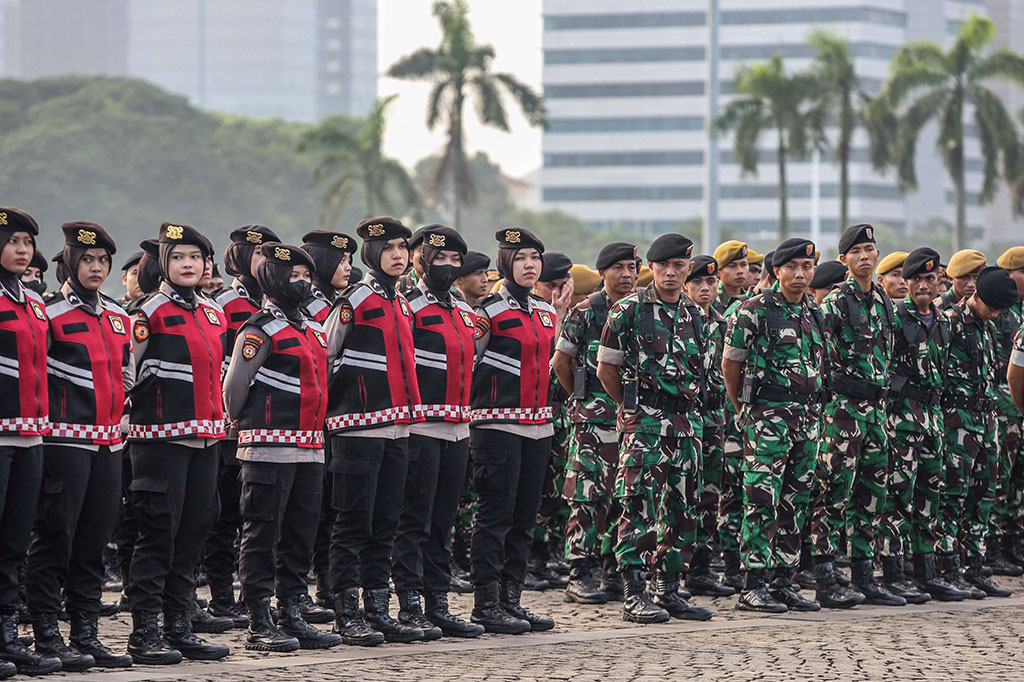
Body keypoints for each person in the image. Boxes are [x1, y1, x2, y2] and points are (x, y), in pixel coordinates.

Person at [24, 223, 135, 671]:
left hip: (108, 444)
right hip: (63, 443)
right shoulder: (48, 313)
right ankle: (46, 632)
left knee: (92, 541)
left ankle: (85, 632)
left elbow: (127, 372)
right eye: (87, 260)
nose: (96, 268)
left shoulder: (116, 315)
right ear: (69, 263)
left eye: (103, 261)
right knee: (55, 539)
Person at [223, 242, 340, 652]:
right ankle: (259, 619)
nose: (303, 282)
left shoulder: (311, 328)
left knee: (299, 534)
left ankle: (292, 610)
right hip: (268, 446)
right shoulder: (259, 328)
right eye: (294, 276)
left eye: (307, 276)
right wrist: (247, 421)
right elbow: (234, 388)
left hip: (310, 447)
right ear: (272, 277)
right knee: (262, 532)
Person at [126, 222, 229, 665]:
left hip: (205, 440)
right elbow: (125, 373)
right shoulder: (146, 313)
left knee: (193, 534)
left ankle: (179, 625)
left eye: (195, 258)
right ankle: (145, 631)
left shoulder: (212, 312)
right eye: (178, 258)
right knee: (157, 535)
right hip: (159, 440)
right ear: (164, 265)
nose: (188, 265)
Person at [596, 233, 711, 624]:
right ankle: (634, 591)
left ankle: (669, 590)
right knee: (639, 504)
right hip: (645, 424)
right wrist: (628, 409)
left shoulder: (696, 315)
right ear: (652, 268)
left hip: (686, 425)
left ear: (688, 269)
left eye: (679, 266)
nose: (671, 273)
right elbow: (605, 368)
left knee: (682, 508)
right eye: (664, 266)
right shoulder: (628, 311)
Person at [324, 216, 422, 646]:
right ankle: (347, 613)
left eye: (403, 248)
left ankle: (378, 610)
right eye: (389, 249)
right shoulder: (355, 300)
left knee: (386, 522)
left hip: (397, 428)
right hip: (357, 428)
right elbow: (324, 357)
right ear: (371, 254)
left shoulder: (400, 302)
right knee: (352, 524)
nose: (398, 256)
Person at [722, 238, 826, 614]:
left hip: (806, 419)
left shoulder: (813, 311)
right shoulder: (754, 310)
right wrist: (743, 410)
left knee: (795, 500)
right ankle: (753, 584)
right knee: (761, 498)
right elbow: (730, 366)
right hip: (768, 417)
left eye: (807, 267)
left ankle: (783, 581)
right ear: (776, 271)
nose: (800, 274)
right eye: (792, 267)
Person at [391, 225, 483, 639]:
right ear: (419, 260)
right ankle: (409, 603)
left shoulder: (464, 310)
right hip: (420, 426)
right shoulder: (407, 305)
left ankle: (437, 601)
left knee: (443, 519)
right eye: (439, 259)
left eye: (454, 261)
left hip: (458, 428)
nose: (447, 267)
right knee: (415, 520)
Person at [468, 228, 558, 634]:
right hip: (497, 425)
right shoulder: (486, 312)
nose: (529, 265)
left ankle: (512, 599)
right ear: (505, 263)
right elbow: (468, 363)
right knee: (495, 516)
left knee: (524, 518)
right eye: (520, 258)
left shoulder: (545, 310)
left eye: (535, 259)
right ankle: (486, 603)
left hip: (538, 428)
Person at [811, 224, 902, 608]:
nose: (865, 256)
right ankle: (825, 579)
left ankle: (865, 576)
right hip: (843, 414)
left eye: (870, 249)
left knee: (872, 496)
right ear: (844, 259)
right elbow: (815, 351)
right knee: (832, 495)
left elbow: (889, 352)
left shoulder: (882, 300)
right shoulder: (834, 302)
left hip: (876, 415)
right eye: (856, 251)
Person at [205, 224, 285, 628]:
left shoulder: (279, 307)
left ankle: (256, 595)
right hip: (228, 426)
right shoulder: (221, 303)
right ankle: (220, 595)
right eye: (256, 253)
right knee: (222, 516)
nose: (263, 261)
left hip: (264, 427)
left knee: (255, 516)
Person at [877, 248, 967, 602]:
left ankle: (925, 573)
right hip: (901, 419)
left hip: (932, 419)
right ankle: (893, 574)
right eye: (915, 280)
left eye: (931, 279)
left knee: (931, 496)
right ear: (906, 283)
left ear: (940, 282)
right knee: (898, 497)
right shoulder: (895, 318)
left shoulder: (944, 322)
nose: (923, 286)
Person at [553, 241, 638, 603]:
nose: (627, 275)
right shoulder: (586, 312)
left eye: (632, 267)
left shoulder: (639, 311)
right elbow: (560, 363)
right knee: (590, 496)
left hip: (630, 420)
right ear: (602, 273)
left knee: (623, 497)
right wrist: (582, 400)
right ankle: (578, 572)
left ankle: (611, 569)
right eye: (618, 268)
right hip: (594, 419)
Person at [0, 207, 61, 677]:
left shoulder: (34, 302)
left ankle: (5, 634)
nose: (22, 251)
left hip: (30, 435)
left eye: (27, 243)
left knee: (15, 539)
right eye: (13, 241)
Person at [937, 266, 1020, 599]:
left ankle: (975, 567)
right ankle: (948, 568)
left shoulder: (987, 325)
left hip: (987, 421)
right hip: (958, 421)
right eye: (993, 307)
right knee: (953, 495)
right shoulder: (949, 322)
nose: (997, 314)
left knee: (984, 495)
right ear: (977, 297)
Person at [300, 229, 357, 610]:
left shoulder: (340, 301)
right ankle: (300, 591)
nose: (347, 268)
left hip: (336, 418)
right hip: (315, 419)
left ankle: (328, 584)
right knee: (312, 512)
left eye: (350, 261)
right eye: (339, 261)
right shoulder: (308, 304)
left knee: (331, 509)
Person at [682, 256, 735, 599]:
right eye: (698, 282)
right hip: (683, 417)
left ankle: (701, 567)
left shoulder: (721, 322)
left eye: (711, 283)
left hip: (714, 418)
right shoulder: (678, 320)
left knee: (710, 493)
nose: (706, 288)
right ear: (686, 286)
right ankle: (675, 569)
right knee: (682, 493)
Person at [527, 251, 574, 590]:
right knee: (534, 489)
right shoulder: (530, 312)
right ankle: (528, 558)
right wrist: (556, 317)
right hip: (528, 413)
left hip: (561, 414)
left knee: (556, 492)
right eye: (550, 286)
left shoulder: (574, 316)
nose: (556, 293)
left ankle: (546, 555)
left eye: (563, 285)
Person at [988, 247, 1024, 573]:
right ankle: (994, 547)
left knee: (1019, 483)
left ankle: (1013, 543)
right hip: (1003, 406)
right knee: (1000, 480)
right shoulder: (1002, 310)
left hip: (1017, 408)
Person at [712, 241, 750, 312]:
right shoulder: (709, 301)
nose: (740, 271)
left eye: (743, 264)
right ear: (718, 272)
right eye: (732, 266)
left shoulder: (751, 300)